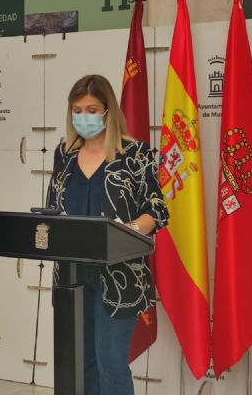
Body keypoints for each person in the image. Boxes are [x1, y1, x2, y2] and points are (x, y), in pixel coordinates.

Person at [46, 74, 169, 395]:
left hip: (120, 276)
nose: (83, 117)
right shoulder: (65, 154)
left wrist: (128, 230)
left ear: (107, 111)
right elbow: (52, 208)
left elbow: (157, 209)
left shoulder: (135, 154)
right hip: (72, 276)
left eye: (91, 110)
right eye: (77, 110)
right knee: (82, 361)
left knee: (110, 363)